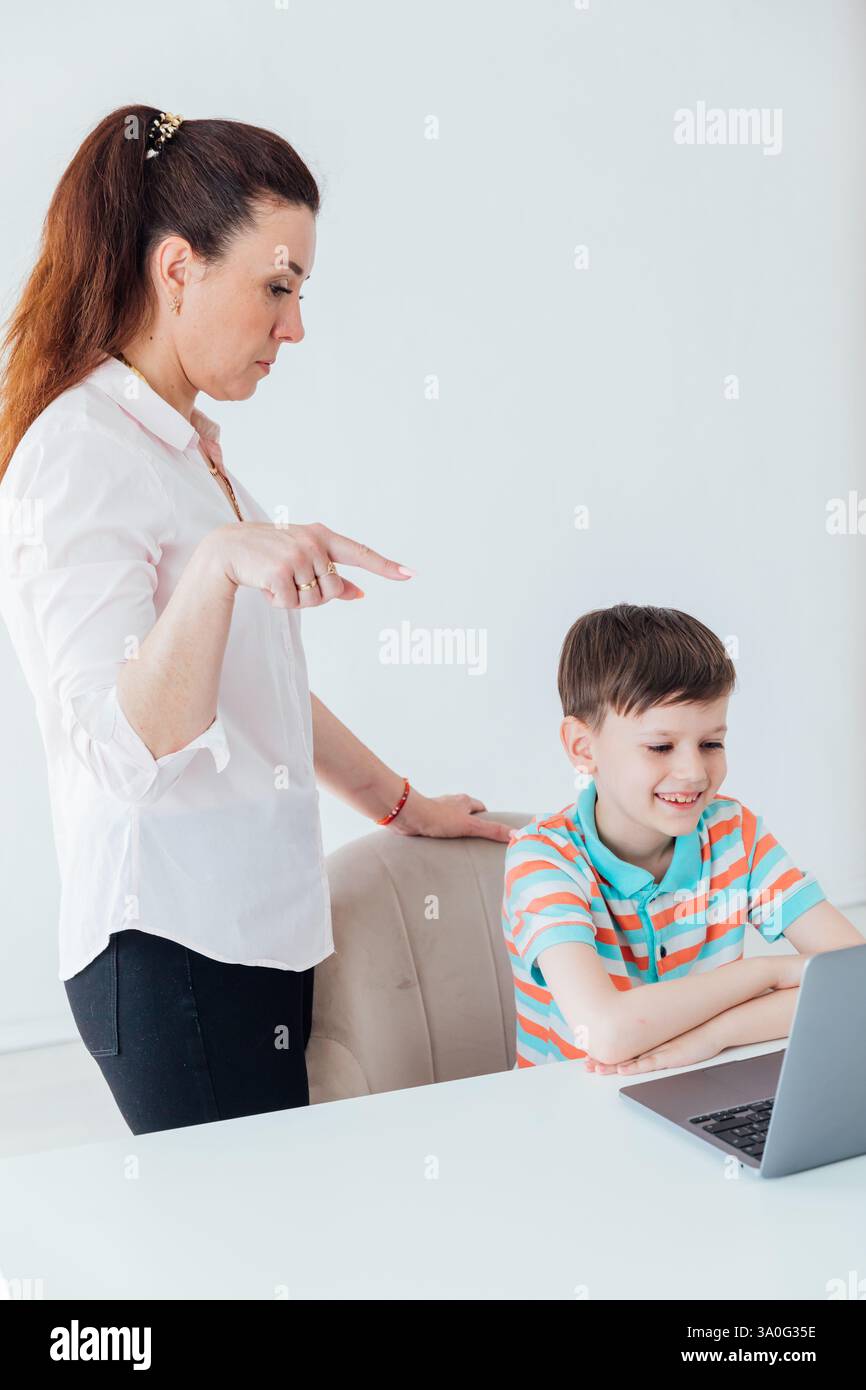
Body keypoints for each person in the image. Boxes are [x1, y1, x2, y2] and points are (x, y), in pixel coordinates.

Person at [0, 105, 511, 1135]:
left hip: (251, 937)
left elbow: (255, 688)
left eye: (299, 292)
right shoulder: (80, 453)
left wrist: (400, 802)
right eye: (276, 287)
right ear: (178, 268)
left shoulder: (187, 448)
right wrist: (221, 568)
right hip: (172, 948)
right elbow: (120, 747)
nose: (294, 326)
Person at [501, 603, 862, 1073]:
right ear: (583, 747)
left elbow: (855, 980)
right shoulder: (542, 859)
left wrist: (715, 1036)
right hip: (571, 1117)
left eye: (711, 743)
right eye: (660, 747)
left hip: (702, 1085)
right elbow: (606, 1034)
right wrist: (765, 972)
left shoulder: (734, 833)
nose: (694, 772)